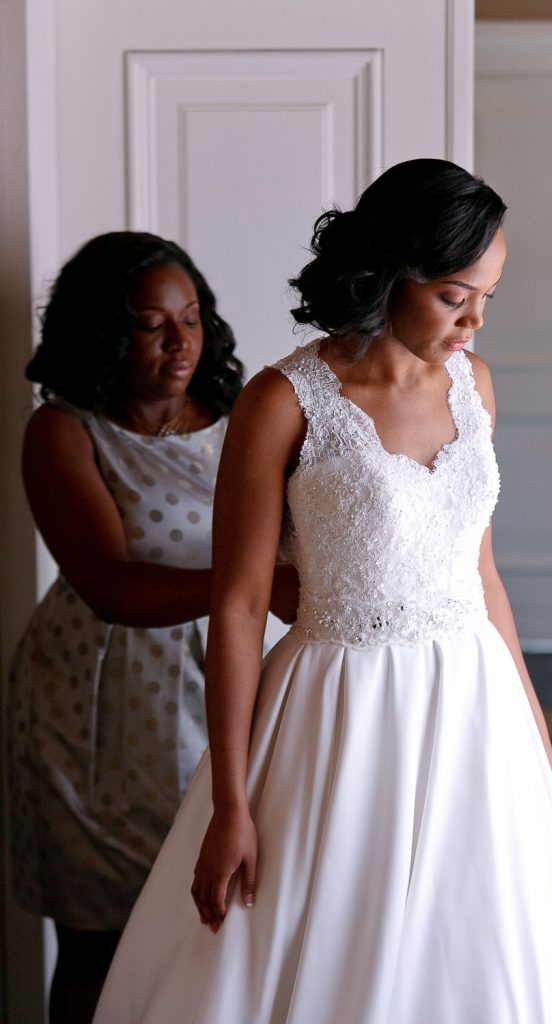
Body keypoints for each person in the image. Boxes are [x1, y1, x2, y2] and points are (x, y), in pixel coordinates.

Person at [93, 162, 552, 1023]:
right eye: (457, 296)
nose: (475, 320)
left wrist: (534, 732)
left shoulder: (475, 385)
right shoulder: (283, 400)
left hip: (472, 707)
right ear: (392, 272)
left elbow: (480, 571)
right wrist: (230, 803)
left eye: (487, 296)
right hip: (336, 714)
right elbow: (236, 608)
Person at [7, 231, 298, 1024]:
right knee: (99, 939)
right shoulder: (65, 432)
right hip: (99, 710)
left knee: (221, 924)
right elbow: (109, 587)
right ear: (104, 330)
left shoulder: (249, 418)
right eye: (150, 323)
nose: (181, 341)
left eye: (193, 317)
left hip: (229, 686)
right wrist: (253, 586)